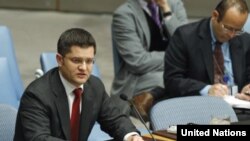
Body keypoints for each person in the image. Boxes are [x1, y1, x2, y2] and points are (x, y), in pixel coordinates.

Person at [14, 28, 144, 141]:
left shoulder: (94, 86)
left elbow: (115, 120)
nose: (83, 67)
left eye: (89, 61)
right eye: (76, 61)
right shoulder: (37, 95)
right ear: (60, 60)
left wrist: (131, 136)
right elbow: (39, 138)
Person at [164, 0, 250, 120]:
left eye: (237, 30)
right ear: (215, 16)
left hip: (240, 111)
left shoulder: (244, 40)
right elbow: (172, 80)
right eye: (228, 28)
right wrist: (207, 89)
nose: (232, 35)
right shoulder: (185, 37)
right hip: (200, 110)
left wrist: (248, 88)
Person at [110, 0, 188, 121]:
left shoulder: (175, 5)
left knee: (198, 77)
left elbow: (186, 45)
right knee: (177, 85)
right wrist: (176, 58)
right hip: (139, 77)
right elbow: (138, 61)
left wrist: (167, 12)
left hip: (170, 70)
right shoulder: (124, 14)